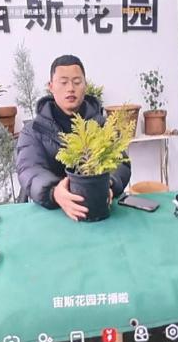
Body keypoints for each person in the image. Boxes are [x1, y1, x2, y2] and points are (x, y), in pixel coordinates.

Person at [15, 55, 131, 220]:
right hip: (51, 214)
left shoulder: (103, 127)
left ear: (85, 85)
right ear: (51, 86)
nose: (70, 88)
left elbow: (121, 163)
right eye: (63, 82)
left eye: (77, 82)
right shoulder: (32, 131)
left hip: (99, 210)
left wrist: (108, 183)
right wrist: (55, 191)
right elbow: (29, 169)